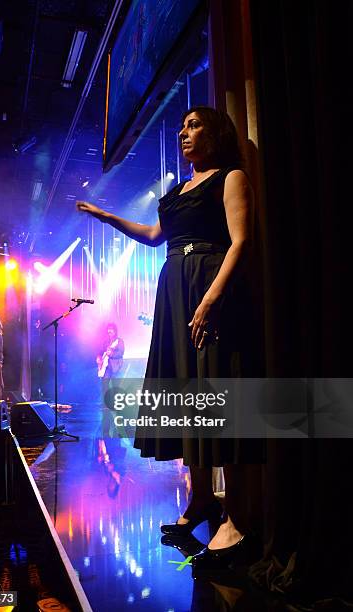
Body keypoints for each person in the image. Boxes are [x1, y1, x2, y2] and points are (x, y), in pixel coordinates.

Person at [77, 106, 263, 576]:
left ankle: (237, 518)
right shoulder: (177, 191)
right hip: (175, 290)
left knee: (219, 395)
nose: (183, 133)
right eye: (182, 127)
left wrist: (210, 300)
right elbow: (156, 235)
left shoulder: (232, 177)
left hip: (210, 286)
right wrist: (107, 217)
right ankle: (201, 501)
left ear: (216, 133)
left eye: (194, 125)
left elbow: (241, 241)